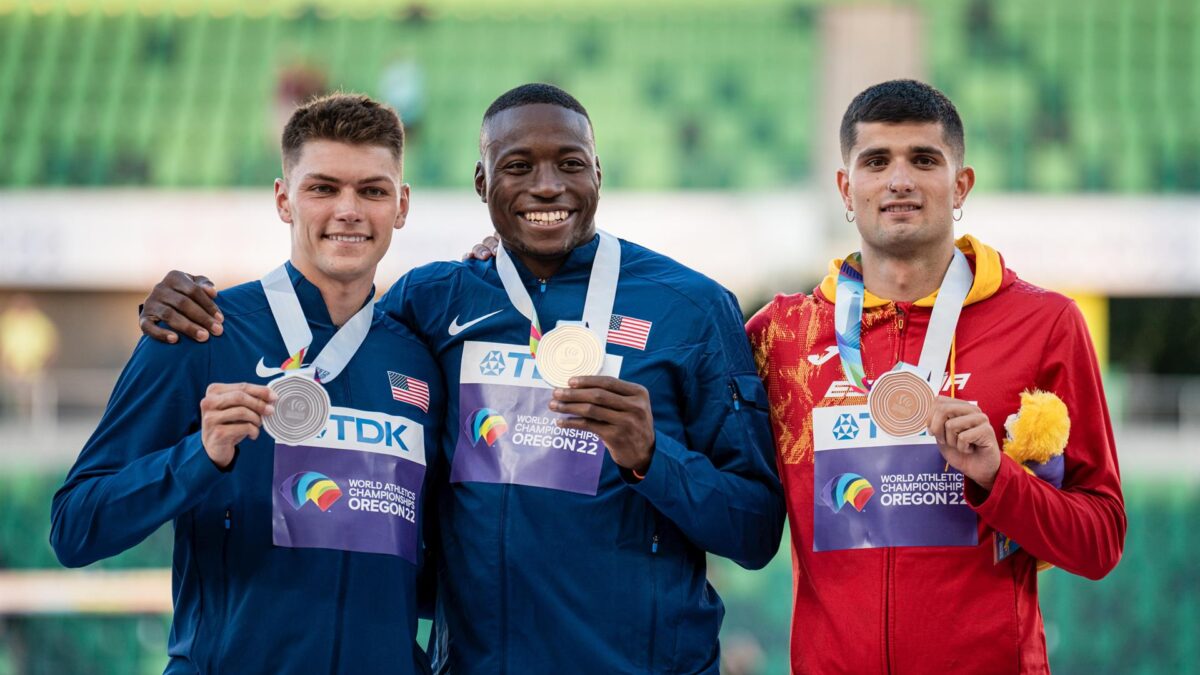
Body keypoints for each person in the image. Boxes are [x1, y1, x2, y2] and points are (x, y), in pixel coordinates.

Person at [137, 83, 786, 674]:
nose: (547, 186)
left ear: (599, 174)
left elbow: (754, 532)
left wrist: (652, 456)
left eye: (569, 163)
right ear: (482, 182)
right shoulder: (431, 301)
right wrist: (185, 306)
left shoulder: (693, 309)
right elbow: (318, 346)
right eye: (518, 167)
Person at [51, 93, 443, 674]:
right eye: (323, 188)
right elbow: (75, 528)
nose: (349, 210)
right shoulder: (200, 331)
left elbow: (430, 561)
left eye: (373, 191)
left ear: (402, 205)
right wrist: (200, 456)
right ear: (284, 199)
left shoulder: (420, 359)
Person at [745, 79, 1125, 673]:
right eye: (876, 162)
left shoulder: (1045, 325)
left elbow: (1100, 541)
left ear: (960, 185)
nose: (899, 180)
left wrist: (999, 479)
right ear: (847, 189)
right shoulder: (782, 336)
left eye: (924, 159)